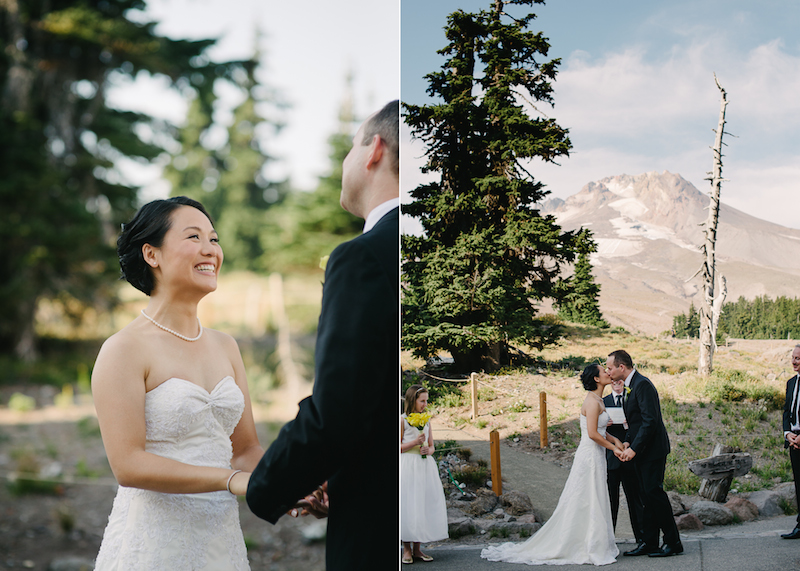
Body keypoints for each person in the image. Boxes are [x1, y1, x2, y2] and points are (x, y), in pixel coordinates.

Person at [245, 100, 400, 569]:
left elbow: (339, 410)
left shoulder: (365, 256)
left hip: (375, 526)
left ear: (374, 149)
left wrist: (265, 487)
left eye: (351, 148)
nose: (344, 163)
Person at [92, 196, 265, 570]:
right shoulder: (123, 349)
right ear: (151, 254)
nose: (210, 250)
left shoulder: (226, 345)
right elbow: (128, 464)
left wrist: (293, 483)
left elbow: (246, 449)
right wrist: (230, 480)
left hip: (220, 539)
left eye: (214, 240)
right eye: (194, 237)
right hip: (155, 543)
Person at [481, 364, 621, 566]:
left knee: (594, 496)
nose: (608, 372)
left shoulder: (599, 399)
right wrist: (614, 448)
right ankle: (582, 544)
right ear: (597, 379)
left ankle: (593, 541)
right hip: (589, 455)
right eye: (604, 371)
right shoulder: (591, 401)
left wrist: (615, 441)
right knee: (586, 496)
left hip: (597, 454)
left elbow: (600, 429)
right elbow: (591, 434)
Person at [605, 349, 682, 558]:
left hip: (653, 451)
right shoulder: (631, 386)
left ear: (622, 367)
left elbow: (650, 421)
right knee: (646, 496)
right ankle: (649, 542)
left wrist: (633, 449)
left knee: (655, 494)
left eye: (610, 368)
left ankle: (673, 542)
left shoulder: (643, 384)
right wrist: (628, 439)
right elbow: (636, 421)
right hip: (642, 450)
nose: (607, 371)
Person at [400, 384, 448, 564]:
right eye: (422, 401)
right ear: (413, 400)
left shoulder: (427, 420)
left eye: (427, 401)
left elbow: (432, 445)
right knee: (409, 504)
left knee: (422, 503)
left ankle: (418, 549)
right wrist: (414, 443)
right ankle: (406, 549)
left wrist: (429, 450)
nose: (425, 404)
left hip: (424, 466)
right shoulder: (402, 420)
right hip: (408, 465)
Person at [604, 377, 645, 543]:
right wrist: (604, 424)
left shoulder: (631, 399)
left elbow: (641, 424)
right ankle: (608, 540)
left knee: (635, 500)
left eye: (619, 382)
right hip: (611, 457)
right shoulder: (603, 401)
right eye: (613, 382)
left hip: (629, 455)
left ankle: (641, 539)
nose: (617, 385)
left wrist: (629, 426)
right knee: (610, 501)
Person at [780, 344, 800, 539]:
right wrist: (788, 434)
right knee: (798, 484)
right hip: (794, 440)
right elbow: (787, 411)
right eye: (793, 357)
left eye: (798, 358)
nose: (794, 361)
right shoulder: (791, 382)